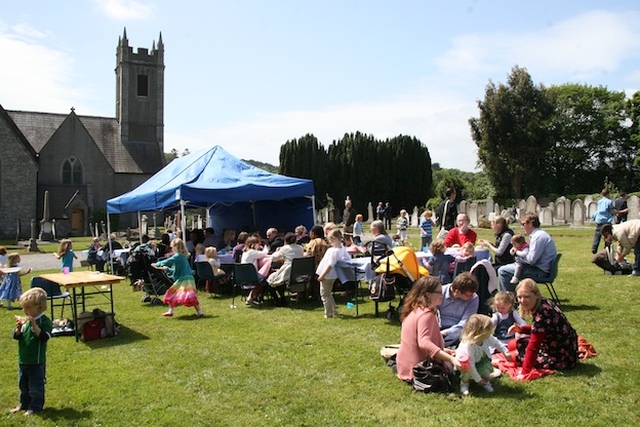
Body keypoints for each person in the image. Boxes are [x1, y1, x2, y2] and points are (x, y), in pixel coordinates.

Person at [508, 279, 578, 378]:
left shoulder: (542, 313)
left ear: (536, 295)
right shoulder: (544, 302)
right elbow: (544, 328)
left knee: (513, 355)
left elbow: (534, 346)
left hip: (561, 357)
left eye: (527, 296)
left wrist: (525, 372)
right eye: (519, 297)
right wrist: (522, 329)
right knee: (512, 344)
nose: (522, 301)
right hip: (565, 348)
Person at [396, 276, 461, 382]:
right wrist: (451, 359)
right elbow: (424, 343)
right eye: (439, 292)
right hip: (420, 371)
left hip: (405, 368)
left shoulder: (415, 310)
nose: (442, 295)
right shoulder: (427, 314)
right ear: (427, 294)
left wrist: (443, 351)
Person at [10, 287, 52, 416]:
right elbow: (16, 336)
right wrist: (18, 329)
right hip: (23, 360)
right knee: (23, 386)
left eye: (28, 307)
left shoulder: (44, 321)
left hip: (36, 361)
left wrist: (35, 326)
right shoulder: (26, 321)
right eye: (23, 307)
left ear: (39, 306)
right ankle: (24, 404)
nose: (25, 311)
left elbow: (44, 337)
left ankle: (36, 406)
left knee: (35, 387)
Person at [497, 212, 557, 293]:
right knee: (508, 268)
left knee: (503, 271)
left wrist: (517, 254)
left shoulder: (538, 237)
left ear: (531, 223)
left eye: (523, 224)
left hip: (539, 271)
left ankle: (509, 301)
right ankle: (514, 298)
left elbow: (531, 260)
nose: (521, 227)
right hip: (540, 268)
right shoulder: (538, 235)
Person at [456, 314, 512, 395]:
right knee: (467, 372)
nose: (491, 331)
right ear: (480, 332)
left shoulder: (487, 337)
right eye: (489, 329)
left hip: (480, 359)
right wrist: (477, 379)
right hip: (466, 363)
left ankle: (485, 381)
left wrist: (505, 352)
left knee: (486, 371)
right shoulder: (469, 346)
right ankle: (464, 383)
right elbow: (470, 364)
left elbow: (496, 343)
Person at [152, 238, 203, 317]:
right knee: (190, 295)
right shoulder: (182, 256)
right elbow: (177, 269)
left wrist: (158, 264)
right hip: (189, 278)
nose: (172, 249)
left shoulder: (178, 256)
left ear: (176, 247)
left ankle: (170, 311)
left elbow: (168, 261)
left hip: (183, 279)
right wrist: (167, 269)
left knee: (171, 293)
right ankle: (199, 312)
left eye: (172, 247)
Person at [437, 272, 479, 347]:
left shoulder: (474, 298)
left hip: (458, 329)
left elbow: (466, 322)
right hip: (438, 326)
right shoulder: (440, 293)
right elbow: (434, 313)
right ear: (457, 292)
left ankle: (439, 345)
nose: (472, 297)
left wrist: (446, 332)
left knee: (465, 335)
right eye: (469, 295)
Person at [316, 229, 350, 318]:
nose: (329, 241)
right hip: (333, 275)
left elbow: (330, 264)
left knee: (324, 294)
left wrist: (322, 275)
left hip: (328, 275)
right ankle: (333, 309)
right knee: (328, 293)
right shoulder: (341, 248)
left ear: (334, 238)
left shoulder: (333, 251)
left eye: (330, 239)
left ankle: (328, 313)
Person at [267, 232, 304, 306]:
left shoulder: (285, 248)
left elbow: (273, 258)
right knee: (279, 278)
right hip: (298, 272)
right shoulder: (300, 247)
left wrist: (278, 251)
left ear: (285, 241)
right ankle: (283, 299)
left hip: (288, 272)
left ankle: (278, 301)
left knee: (270, 281)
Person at [241, 235, 270, 305]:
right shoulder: (252, 252)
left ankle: (253, 297)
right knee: (264, 279)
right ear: (253, 244)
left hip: (243, 276)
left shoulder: (245, 252)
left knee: (262, 279)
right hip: (251, 277)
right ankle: (252, 297)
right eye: (258, 244)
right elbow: (264, 253)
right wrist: (266, 248)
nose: (259, 246)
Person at [592, 188, 620, 254]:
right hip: (606, 221)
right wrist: (619, 212)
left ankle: (594, 247)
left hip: (599, 220)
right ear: (608, 194)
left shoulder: (599, 201)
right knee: (608, 235)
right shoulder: (609, 201)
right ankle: (607, 248)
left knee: (597, 235)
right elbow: (611, 211)